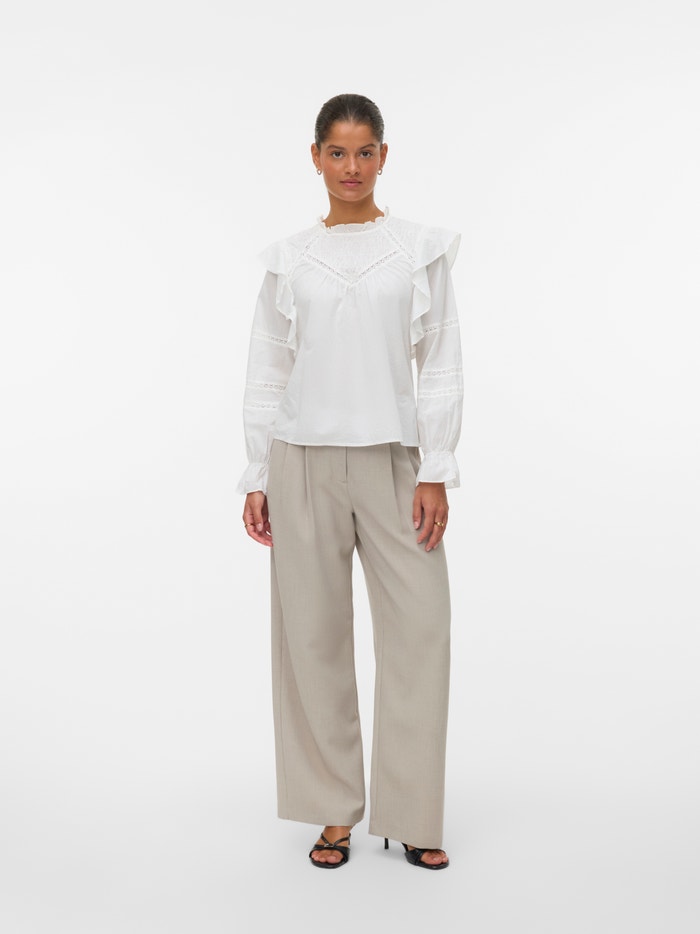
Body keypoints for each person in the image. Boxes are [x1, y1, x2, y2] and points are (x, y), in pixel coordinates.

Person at [237, 93, 463, 870]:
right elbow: (268, 370)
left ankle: (413, 810)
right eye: (337, 152)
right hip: (300, 460)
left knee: (422, 629)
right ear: (316, 158)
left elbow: (440, 364)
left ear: (383, 156)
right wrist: (257, 471)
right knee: (311, 637)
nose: (352, 167)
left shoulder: (417, 250)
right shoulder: (290, 259)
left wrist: (435, 467)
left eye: (365, 151)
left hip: (394, 463)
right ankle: (332, 809)